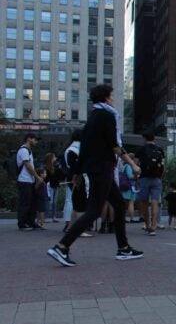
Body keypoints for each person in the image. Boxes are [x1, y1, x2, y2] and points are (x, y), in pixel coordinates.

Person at [47, 84, 144, 267]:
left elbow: (85, 147)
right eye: (112, 96)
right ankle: (62, 246)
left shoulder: (93, 117)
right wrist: (132, 164)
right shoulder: (106, 116)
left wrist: (77, 171)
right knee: (93, 210)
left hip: (96, 168)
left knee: (119, 205)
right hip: (103, 168)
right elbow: (114, 145)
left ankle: (123, 248)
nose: (113, 99)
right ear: (106, 98)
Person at [136, 132, 165, 236]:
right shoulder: (160, 150)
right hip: (157, 179)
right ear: (154, 138)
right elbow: (163, 166)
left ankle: (147, 225)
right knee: (155, 202)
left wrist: (136, 179)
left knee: (144, 202)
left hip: (144, 178)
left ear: (144, 138)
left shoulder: (141, 149)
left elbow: (136, 166)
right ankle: (154, 225)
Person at [16, 132, 44, 230]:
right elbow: (28, 165)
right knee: (25, 203)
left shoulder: (29, 151)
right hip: (24, 180)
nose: (36, 142)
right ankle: (22, 224)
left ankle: (31, 222)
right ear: (29, 139)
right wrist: (37, 177)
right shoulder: (23, 150)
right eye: (35, 139)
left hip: (29, 181)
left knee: (32, 203)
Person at [119, 154, 138, 223]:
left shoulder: (123, 166)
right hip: (129, 186)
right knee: (131, 203)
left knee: (123, 203)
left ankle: (122, 218)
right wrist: (136, 176)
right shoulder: (129, 166)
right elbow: (130, 176)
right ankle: (132, 218)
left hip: (123, 186)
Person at [43, 153, 61, 223]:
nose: (55, 158)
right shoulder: (46, 167)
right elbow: (47, 177)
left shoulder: (56, 166)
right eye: (54, 157)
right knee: (49, 201)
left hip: (56, 184)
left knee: (54, 202)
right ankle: (45, 217)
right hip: (49, 185)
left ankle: (54, 217)